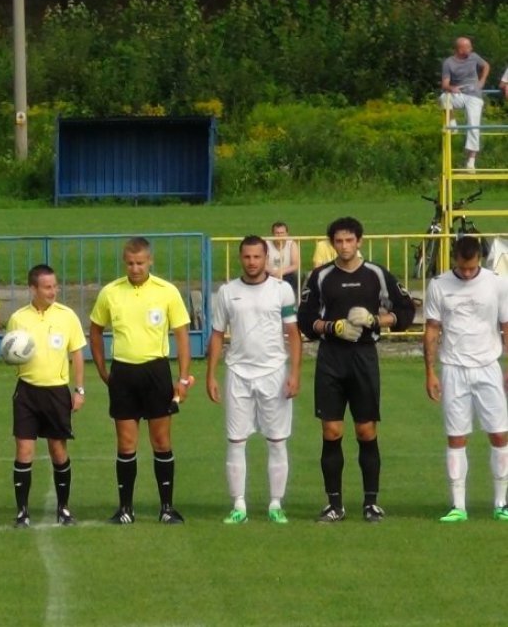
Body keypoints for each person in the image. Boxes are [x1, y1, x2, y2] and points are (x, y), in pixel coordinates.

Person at [297, 217, 415, 523]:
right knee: (331, 429)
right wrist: (332, 327)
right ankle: (334, 504)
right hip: (331, 358)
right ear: (332, 243)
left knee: (366, 430)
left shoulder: (376, 273)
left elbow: (405, 311)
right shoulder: (321, 276)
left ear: (359, 241)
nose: (345, 246)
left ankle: (371, 503)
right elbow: (305, 320)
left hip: (363, 356)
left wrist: (376, 320)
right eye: (339, 241)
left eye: (350, 240)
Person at [89, 237, 193, 524]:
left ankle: (167, 508)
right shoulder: (110, 292)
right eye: (130, 263)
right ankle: (125, 509)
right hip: (122, 373)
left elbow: (183, 336)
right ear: (125, 262)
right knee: (125, 444)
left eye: (140, 263)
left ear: (150, 261)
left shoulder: (167, 292)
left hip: (156, 372)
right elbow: (95, 330)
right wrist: (102, 370)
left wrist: (183, 379)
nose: (135, 268)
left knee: (161, 441)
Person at [206, 236, 301, 524]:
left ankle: (275, 504)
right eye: (246, 257)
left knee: (276, 441)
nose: (252, 262)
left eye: (257, 257)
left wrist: (294, 372)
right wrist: (211, 374)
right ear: (240, 258)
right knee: (236, 441)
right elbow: (217, 334)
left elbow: (293, 334)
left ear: (266, 258)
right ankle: (239, 505)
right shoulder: (226, 292)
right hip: (238, 373)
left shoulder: (282, 290)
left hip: (274, 372)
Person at [423, 236, 508, 523]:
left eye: (472, 268)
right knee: (456, 436)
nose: (468, 273)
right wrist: (430, 371)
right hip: (453, 368)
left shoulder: (497, 283)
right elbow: (432, 329)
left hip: (488, 366)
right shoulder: (439, 285)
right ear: (455, 259)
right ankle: (458, 505)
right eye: (463, 268)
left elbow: (506, 326)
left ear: (479, 261)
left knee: (498, 433)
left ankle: (501, 502)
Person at [7, 264, 86, 528]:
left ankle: (63, 509)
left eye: (55, 286)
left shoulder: (67, 316)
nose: (54, 291)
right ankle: (22, 512)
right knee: (24, 449)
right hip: (27, 391)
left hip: (57, 392)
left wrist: (79, 389)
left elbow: (76, 354)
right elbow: (10, 351)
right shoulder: (18, 318)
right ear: (33, 289)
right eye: (47, 287)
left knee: (57, 449)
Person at [440, 36, 490, 171]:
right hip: (458, 93)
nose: (471, 49)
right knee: (443, 98)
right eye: (468, 47)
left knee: (473, 126)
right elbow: (445, 84)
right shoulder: (448, 63)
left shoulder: (474, 57)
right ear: (460, 49)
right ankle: (452, 122)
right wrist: (452, 88)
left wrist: (482, 81)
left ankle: (471, 161)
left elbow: (486, 66)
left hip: (474, 95)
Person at [266, 221, 299, 296]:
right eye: (277, 233)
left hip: (287, 273)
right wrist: (274, 273)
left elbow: (295, 265)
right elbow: (264, 264)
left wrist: (281, 272)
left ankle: (293, 300)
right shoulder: (266, 244)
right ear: (273, 234)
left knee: (292, 278)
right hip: (270, 274)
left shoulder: (292, 244)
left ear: (287, 234)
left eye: (282, 233)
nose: (279, 235)